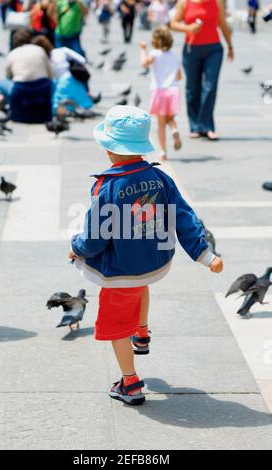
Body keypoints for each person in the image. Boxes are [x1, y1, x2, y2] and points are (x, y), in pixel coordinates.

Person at [68, 105, 223, 406]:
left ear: (109, 149)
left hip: (122, 268)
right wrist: (205, 254)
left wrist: (76, 248)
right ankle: (141, 331)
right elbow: (184, 216)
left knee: (115, 327)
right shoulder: (160, 177)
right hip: (153, 261)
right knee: (140, 287)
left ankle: (130, 382)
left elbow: (95, 238)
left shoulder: (107, 185)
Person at [170, 0, 234, 141]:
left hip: (214, 49)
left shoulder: (217, 2)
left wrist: (230, 45)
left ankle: (207, 126)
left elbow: (222, 23)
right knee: (192, 89)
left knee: (210, 87)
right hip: (192, 49)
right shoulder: (184, 2)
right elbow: (173, 24)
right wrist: (188, 28)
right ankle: (195, 126)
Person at [140, 26, 182, 160]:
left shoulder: (154, 53)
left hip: (159, 91)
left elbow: (144, 63)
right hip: (173, 91)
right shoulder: (174, 56)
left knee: (161, 124)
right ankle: (175, 130)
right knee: (170, 119)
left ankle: (163, 152)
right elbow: (179, 76)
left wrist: (143, 49)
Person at [0, 28, 53, 123]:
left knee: (2, 83)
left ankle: (12, 107)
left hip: (21, 89)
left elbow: (8, 76)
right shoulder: (39, 50)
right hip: (43, 87)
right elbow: (50, 73)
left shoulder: (12, 54)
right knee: (52, 83)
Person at [31, 34, 94, 114]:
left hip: (58, 86)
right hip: (73, 81)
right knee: (82, 104)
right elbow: (82, 60)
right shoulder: (62, 50)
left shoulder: (42, 59)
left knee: (54, 109)